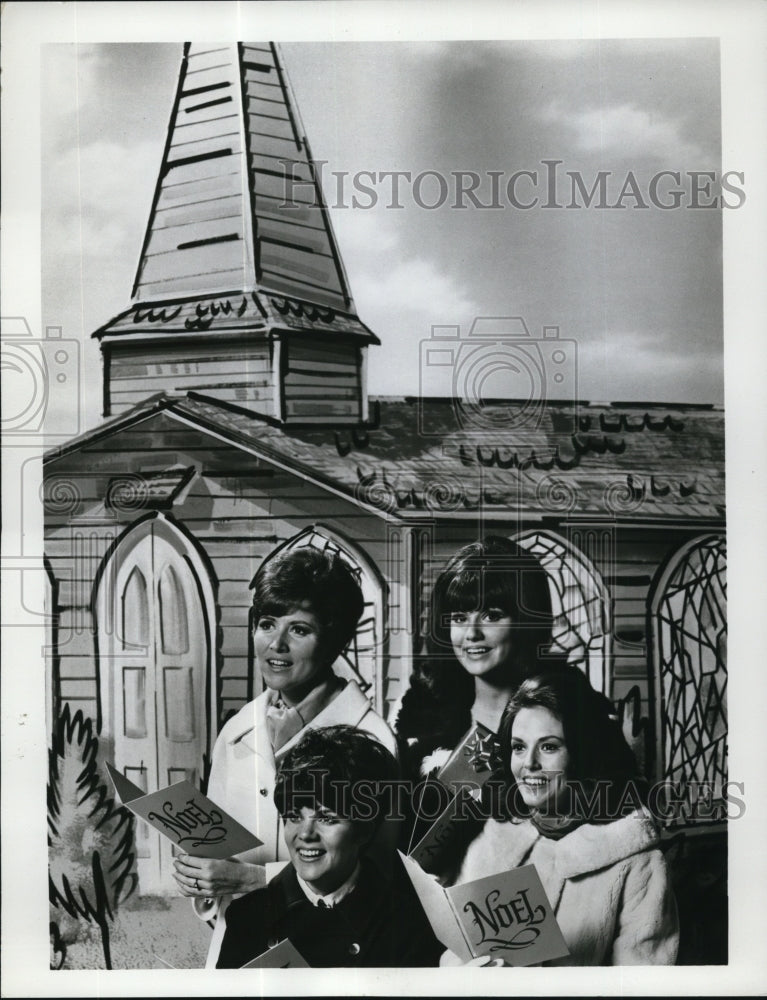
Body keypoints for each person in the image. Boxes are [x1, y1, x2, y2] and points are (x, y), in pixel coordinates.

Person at [172, 546, 397, 967]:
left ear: (333, 638)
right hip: (241, 951)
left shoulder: (371, 738)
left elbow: (380, 880)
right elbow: (219, 857)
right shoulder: (237, 731)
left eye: (299, 629)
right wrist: (203, 876)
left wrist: (253, 879)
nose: (276, 644)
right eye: (266, 623)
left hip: (336, 956)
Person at [441, 670, 679, 966]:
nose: (529, 764)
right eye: (518, 747)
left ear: (583, 752)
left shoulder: (637, 863)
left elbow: (642, 988)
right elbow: (455, 954)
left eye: (549, 746)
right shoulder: (493, 837)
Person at [216, 725, 443, 968]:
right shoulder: (248, 917)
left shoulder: (407, 921)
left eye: (326, 818)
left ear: (364, 830)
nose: (305, 833)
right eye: (294, 816)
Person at [396, 536, 564, 778]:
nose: (472, 633)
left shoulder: (568, 713)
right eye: (459, 618)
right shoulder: (421, 720)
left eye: (492, 616)